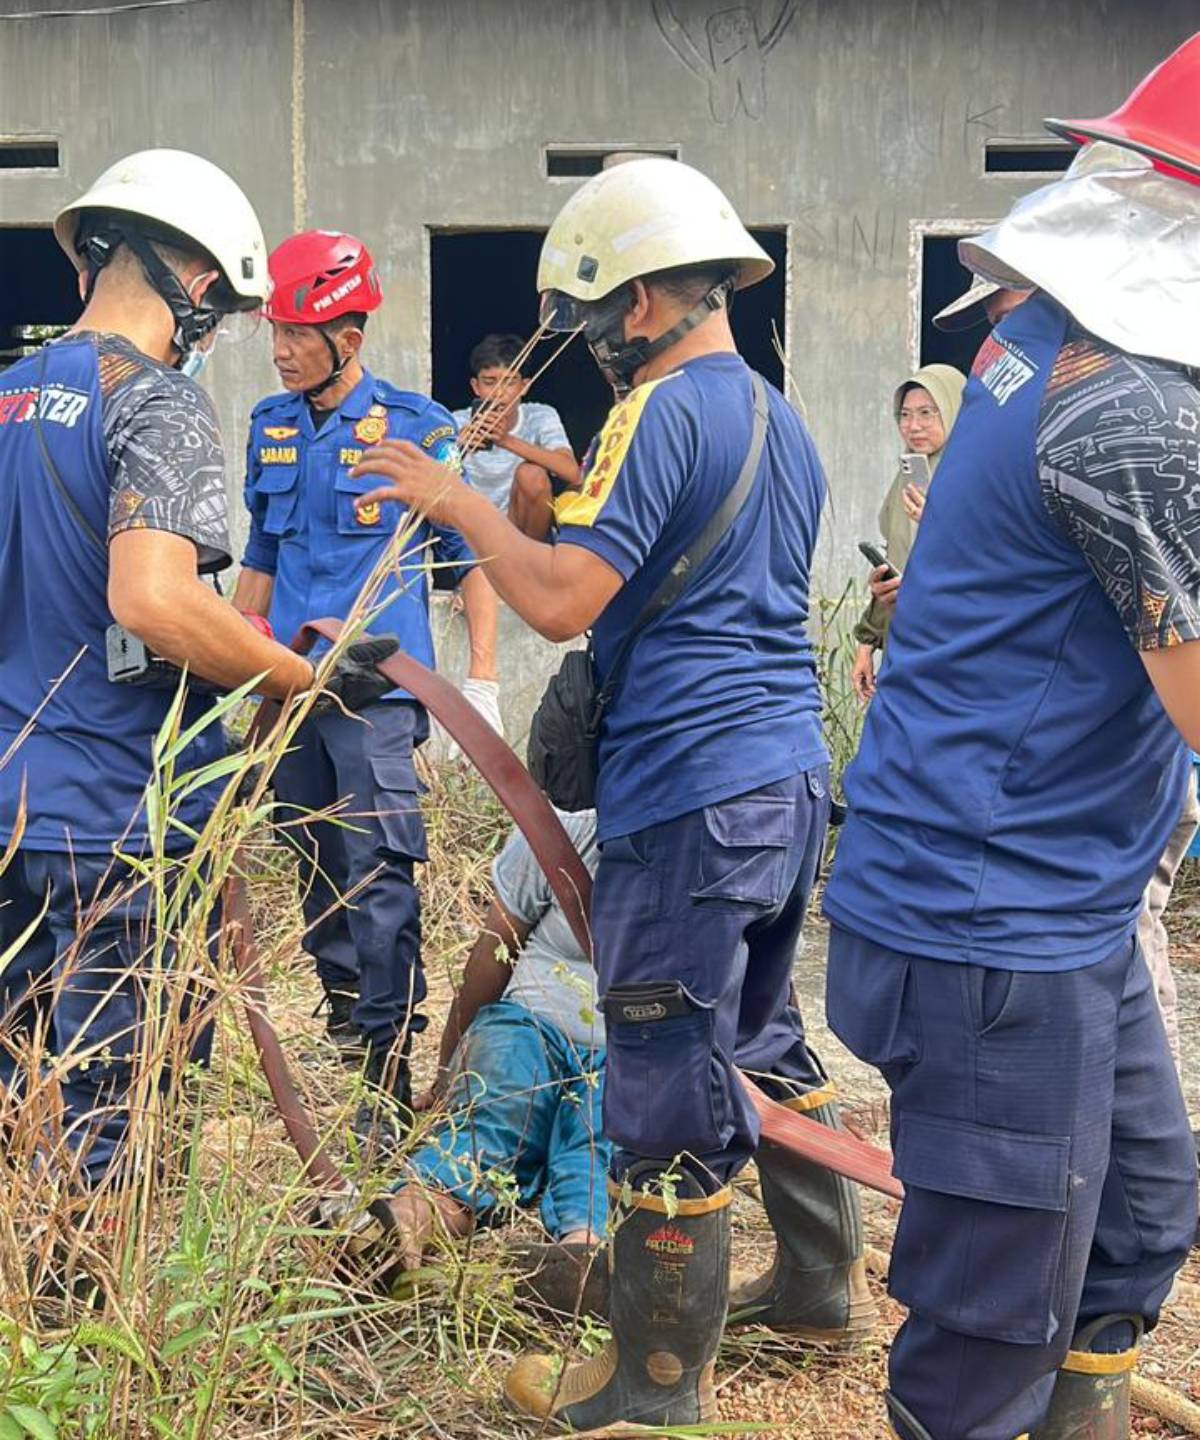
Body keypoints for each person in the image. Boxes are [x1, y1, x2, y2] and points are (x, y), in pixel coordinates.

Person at [350, 156, 872, 1431]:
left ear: (639, 305)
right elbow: (649, 566)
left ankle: (652, 1386)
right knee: (757, 1036)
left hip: (687, 795)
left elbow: (565, 599)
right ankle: (815, 1280)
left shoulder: (658, 408)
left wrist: (449, 502)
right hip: (785, 778)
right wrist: (525, 496)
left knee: (659, 1077)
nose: (592, 347)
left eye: (594, 320)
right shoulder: (777, 418)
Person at [822, 37, 1200, 1440]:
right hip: (989, 926)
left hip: (1059, 903)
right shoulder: (1133, 410)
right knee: (990, 1323)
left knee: (1139, 1218)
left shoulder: (1048, 339)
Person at [0, 152, 392, 1187]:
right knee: (107, 1114)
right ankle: (88, 1334)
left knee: (16, 1093)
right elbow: (155, 600)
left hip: (8, 817)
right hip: (113, 828)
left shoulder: (4, 397)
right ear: (203, 286)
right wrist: (301, 678)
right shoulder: (156, 402)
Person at [233, 230, 486, 1147]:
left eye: (302, 331)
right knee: (313, 867)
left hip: (378, 695)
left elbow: (468, 564)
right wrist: (236, 672)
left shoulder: (418, 428)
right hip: (290, 689)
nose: (285, 348)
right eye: (279, 332)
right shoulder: (267, 425)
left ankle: (387, 1069)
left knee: (379, 873)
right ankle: (348, 1030)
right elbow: (259, 561)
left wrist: (482, 680)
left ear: (351, 331)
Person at [383, 805, 608, 1294]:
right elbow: (492, 953)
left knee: (597, 1141)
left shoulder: (694, 849)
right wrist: (448, 1070)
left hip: (630, 1050)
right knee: (494, 1121)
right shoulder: (562, 829)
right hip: (528, 1026)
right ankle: (408, 1220)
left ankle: (581, 1253)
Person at [850, 365, 964, 703]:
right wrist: (866, 642)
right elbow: (898, 558)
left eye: (927, 413)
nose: (913, 426)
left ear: (955, 410)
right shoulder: (909, 477)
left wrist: (938, 522)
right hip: (905, 644)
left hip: (953, 650)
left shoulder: (978, 479)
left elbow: (992, 562)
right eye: (905, 415)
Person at [453, 332, 580, 540]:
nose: (499, 393)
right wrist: (457, 448)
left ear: (525, 386)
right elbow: (428, 481)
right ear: (476, 387)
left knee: (531, 475)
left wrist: (505, 441)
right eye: (489, 382)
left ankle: (531, 566)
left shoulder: (539, 416)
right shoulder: (457, 422)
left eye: (510, 382)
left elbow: (572, 473)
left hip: (522, 535)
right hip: (474, 538)